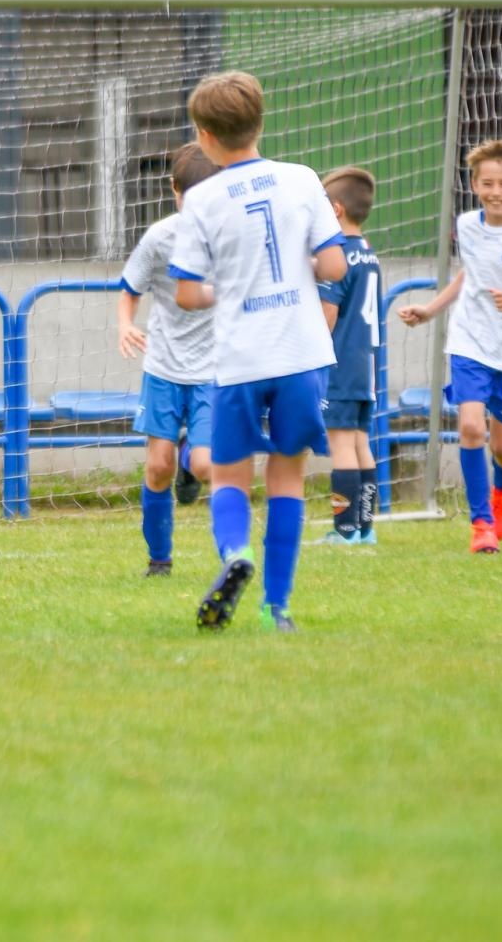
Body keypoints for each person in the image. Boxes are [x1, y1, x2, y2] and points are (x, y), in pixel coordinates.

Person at [169, 71, 348, 633]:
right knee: (287, 478)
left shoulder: (202, 199)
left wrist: (225, 290)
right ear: (260, 122)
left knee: (228, 476)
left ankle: (235, 553)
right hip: (301, 353)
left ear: (204, 135)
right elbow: (334, 266)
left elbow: (186, 294)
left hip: (241, 357)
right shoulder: (302, 178)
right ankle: (278, 609)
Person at [396, 140, 502, 555]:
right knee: (470, 428)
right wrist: (431, 310)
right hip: (468, 342)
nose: (495, 192)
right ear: (474, 185)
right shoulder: (467, 224)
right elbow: (469, 274)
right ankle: (481, 524)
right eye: (487, 183)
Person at [116, 141, 219, 577]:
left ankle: (189, 458)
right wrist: (125, 324)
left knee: (205, 464)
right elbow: (130, 288)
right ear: (173, 189)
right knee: (158, 468)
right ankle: (159, 560)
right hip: (163, 366)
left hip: (214, 369)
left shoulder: (231, 236)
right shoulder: (159, 237)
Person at [315, 165, 382, 546]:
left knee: (340, 444)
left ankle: (344, 531)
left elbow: (328, 313)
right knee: (360, 443)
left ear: (336, 210)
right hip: (366, 366)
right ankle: (365, 529)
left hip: (340, 365)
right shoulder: (368, 253)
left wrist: (311, 353)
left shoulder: (337, 258)